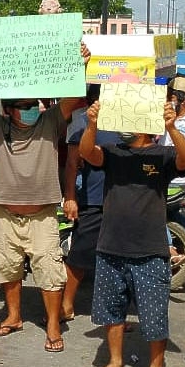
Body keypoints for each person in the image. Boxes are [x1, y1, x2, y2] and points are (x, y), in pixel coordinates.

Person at [0, 45, 89, 353]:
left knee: (49, 270)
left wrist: (82, 64)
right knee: (7, 268)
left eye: (33, 103)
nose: (31, 108)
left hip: (43, 215)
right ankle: (14, 315)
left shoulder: (50, 122)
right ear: (8, 109)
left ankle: (52, 324)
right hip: (5, 214)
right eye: (23, 105)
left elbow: (74, 97)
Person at [78, 97, 185, 367]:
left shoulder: (163, 154)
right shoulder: (112, 152)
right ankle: (115, 362)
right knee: (111, 310)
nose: (126, 130)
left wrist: (171, 127)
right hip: (110, 247)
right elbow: (85, 152)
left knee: (154, 314)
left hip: (150, 250)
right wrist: (92, 124)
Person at [61, 84, 118, 320]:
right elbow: (72, 163)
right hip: (93, 200)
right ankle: (66, 305)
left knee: (116, 260)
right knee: (79, 256)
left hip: (120, 201)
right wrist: (71, 197)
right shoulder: (81, 120)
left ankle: (115, 312)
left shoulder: (127, 121)